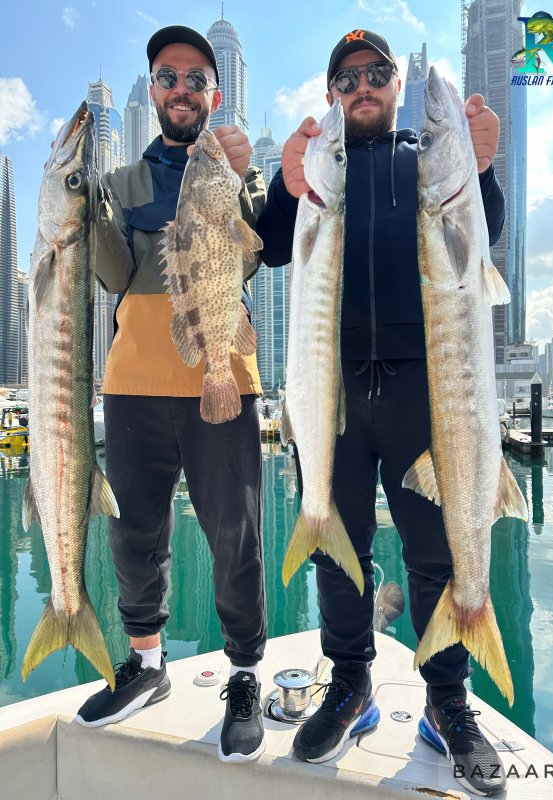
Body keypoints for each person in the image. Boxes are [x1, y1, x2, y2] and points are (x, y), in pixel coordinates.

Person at [257, 29, 507, 795]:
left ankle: (448, 703)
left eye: (375, 73)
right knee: (340, 551)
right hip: (328, 386)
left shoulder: (424, 159)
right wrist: (284, 187)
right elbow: (271, 248)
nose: (361, 86)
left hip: (420, 385)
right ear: (332, 94)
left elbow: (479, 238)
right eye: (347, 78)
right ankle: (350, 684)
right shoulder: (319, 167)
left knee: (435, 551)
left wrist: (484, 173)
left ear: (396, 84)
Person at [75, 25, 267, 764]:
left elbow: (253, 260)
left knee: (235, 535)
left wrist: (242, 183)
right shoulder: (122, 183)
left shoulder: (238, 168)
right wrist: (89, 209)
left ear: (214, 96)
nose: (181, 89)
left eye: (195, 79)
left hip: (222, 372)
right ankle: (147, 664)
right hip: (133, 383)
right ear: (153, 89)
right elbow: (112, 276)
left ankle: (244, 674)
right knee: (134, 535)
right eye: (167, 76)